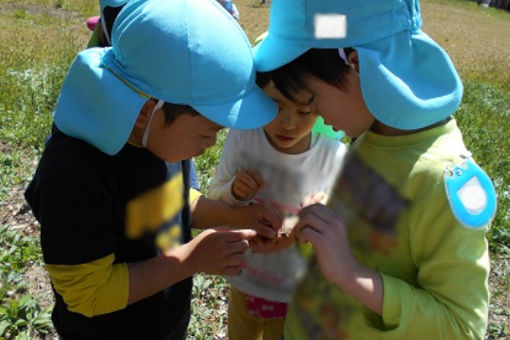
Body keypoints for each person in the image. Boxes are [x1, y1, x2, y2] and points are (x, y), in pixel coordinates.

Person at [24, 0, 282, 339]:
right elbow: (86, 293)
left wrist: (236, 216)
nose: (209, 145)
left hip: (165, 323)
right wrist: (191, 260)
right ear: (148, 110)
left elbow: (169, 201)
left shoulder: (158, 137)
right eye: (208, 132)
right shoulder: (74, 172)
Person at [253, 0, 496, 339]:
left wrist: (352, 276)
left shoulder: (441, 178)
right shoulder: (371, 133)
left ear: (357, 65)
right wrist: (309, 232)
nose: (317, 117)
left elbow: (461, 326)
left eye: (311, 98)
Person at [208, 70, 347, 340]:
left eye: (304, 111)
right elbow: (214, 198)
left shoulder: (332, 155)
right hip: (245, 278)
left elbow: (345, 220)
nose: (288, 123)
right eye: (275, 106)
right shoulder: (243, 137)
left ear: (321, 109)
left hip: (294, 289)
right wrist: (235, 191)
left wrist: (319, 213)